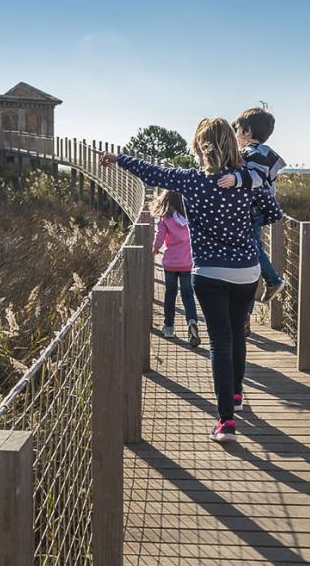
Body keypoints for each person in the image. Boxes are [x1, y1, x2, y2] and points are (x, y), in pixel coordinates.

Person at [102, 117, 283, 443]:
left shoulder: (190, 180)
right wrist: (244, 195)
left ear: (201, 148)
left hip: (208, 273)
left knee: (220, 341)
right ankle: (238, 395)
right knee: (237, 332)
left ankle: (226, 421)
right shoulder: (249, 182)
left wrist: (119, 159)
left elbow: (152, 172)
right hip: (246, 271)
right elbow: (272, 212)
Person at [217, 107, 288, 304]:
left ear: (247, 131)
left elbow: (257, 178)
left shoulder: (254, 153)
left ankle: (273, 280)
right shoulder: (258, 152)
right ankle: (251, 303)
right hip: (254, 208)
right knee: (253, 248)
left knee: (252, 247)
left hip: (253, 209)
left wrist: (235, 179)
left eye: (237, 128)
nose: (234, 131)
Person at [150, 188, 201, 346]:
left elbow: (159, 236)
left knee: (170, 294)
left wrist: (155, 248)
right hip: (188, 263)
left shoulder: (165, 218)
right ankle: (192, 322)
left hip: (171, 263)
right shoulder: (189, 217)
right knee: (188, 295)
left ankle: (169, 327)